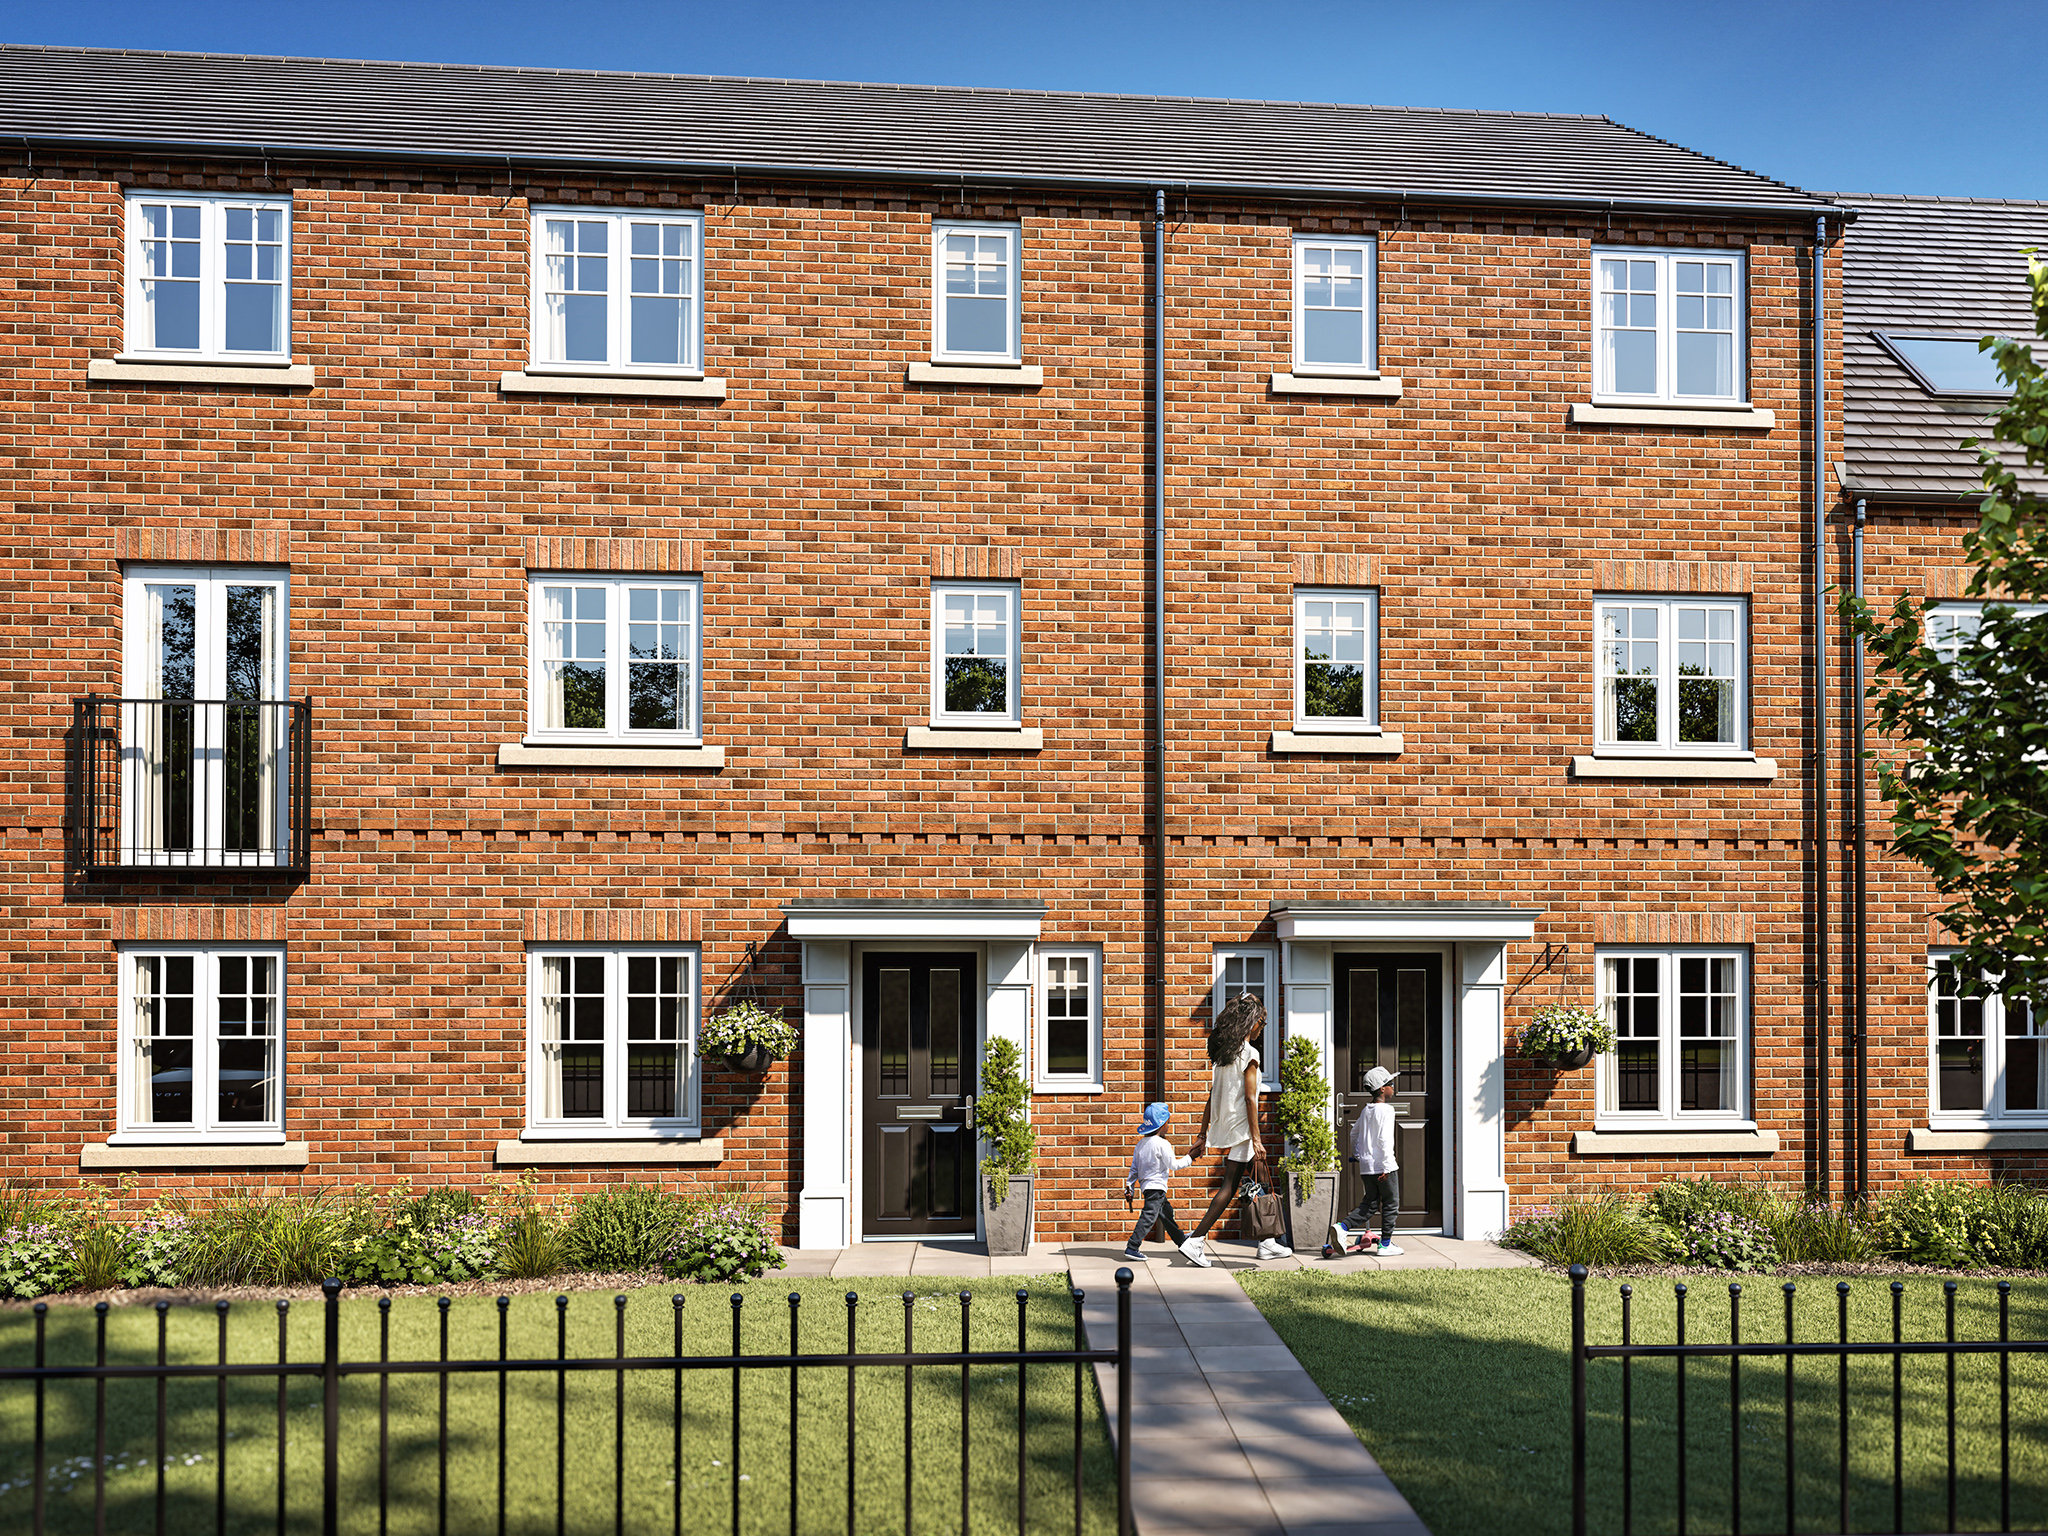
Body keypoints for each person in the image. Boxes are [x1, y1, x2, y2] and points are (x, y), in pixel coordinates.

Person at [1184, 991, 1293, 1264]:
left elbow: (1213, 1096)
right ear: (1252, 1021)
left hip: (1230, 1125)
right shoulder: (1250, 1054)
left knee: (1260, 1182)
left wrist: (1202, 1133)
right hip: (1244, 1129)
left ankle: (1267, 1242)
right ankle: (1196, 1241)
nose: (1262, 1028)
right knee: (1232, 1186)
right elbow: (1249, 1098)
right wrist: (1256, 1140)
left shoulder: (1225, 1054)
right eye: (1261, 1022)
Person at [1328, 1065, 1405, 1257]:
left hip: (1367, 1167)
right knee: (1391, 1203)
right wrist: (1387, 1165)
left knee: (1370, 1204)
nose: (1393, 1087)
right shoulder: (1387, 1110)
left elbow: (1354, 1133)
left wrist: (1359, 1154)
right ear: (1382, 1089)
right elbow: (1384, 1140)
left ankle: (1342, 1226)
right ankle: (1385, 1244)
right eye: (1391, 1084)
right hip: (1383, 1166)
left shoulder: (1366, 1110)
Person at [1121, 1101, 1192, 1262]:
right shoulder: (1162, 1144)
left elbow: (1134, 1169)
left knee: (1166, 1214)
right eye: (1168, 1121)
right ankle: (1132, 1247)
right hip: (1157, 1188)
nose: (1169, 1124)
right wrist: (1190, 1158)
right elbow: (1174, 1165)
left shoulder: (1140, 1145)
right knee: (1149, 1216)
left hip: (1147, 1187)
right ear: (1162, 1124)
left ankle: (1181, 1240)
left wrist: (1129, 1188)